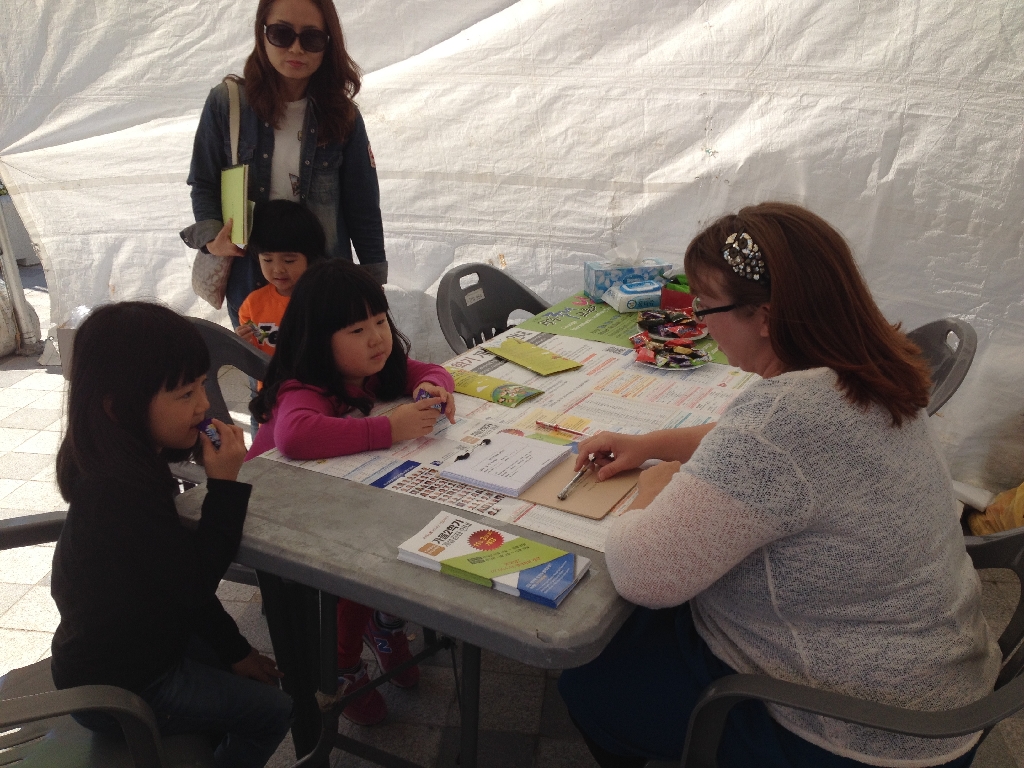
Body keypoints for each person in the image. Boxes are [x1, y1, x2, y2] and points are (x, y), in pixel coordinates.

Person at [558, 202, 1000, 768]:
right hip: (938, 687)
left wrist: (655, 488)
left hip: (860, 733)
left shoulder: (784, 416)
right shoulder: (865, 372)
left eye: (705, 306)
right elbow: (761, 450)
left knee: (589, 679)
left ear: (764, 316)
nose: (699, 323)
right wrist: (654, 445)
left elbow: (643, 573)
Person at [51, 302, 293, 768]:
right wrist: (223, 486)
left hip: (128, 644)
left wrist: (235, 650)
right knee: (273, 710)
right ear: (117, 408)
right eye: (185, 394)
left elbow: (176, 584)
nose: (204, 404)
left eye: (202, 384)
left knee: (248, 672)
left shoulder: (113, 456)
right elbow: (195, 582)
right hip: (122, 689)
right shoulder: (123, 496)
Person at [247, 258, 456, 729]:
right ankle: (343, 668)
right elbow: (295, 437)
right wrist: (388, 428)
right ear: (320, 341)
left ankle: (383, 625)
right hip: (282, 516)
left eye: (380, 322)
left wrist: (431, 385)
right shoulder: (306, 386)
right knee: (358, 572)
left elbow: (429, 369)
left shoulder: (372, 369)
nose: (377, 338)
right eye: (357, 330)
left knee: (395, 545)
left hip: (345, 499)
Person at [181, 0, 387, 328]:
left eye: (312, 39)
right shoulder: (228, 103)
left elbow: (362, 204)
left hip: (324, 280)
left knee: (328, 373)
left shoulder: (343, 116)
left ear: (328, 45)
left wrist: (373, 281)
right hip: (252, 279)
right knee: (266, 376)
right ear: (262, 34)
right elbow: (204, 181)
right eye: (281, 33)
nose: (296, 48)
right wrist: (211, 237)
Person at [237, 198, 327, 355]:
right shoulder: (253, 305)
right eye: (267, 260)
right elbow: (258, 349)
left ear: (310, 258)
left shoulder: (323, 299)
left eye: (289, 260)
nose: (278, 269)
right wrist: (245, 343)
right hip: (272, 379)